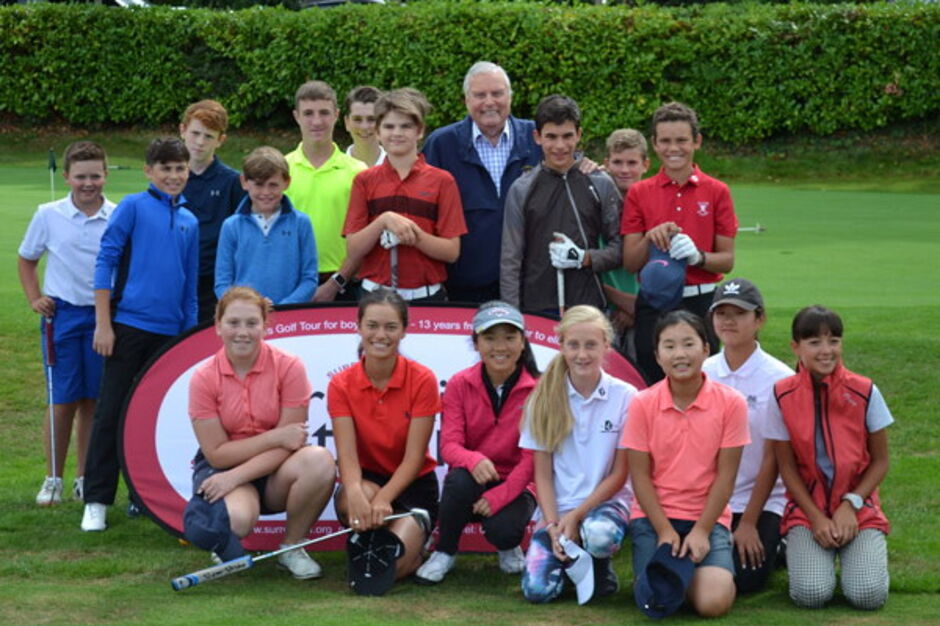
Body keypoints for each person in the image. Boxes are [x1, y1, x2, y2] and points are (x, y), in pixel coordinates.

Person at [81, 137, 199, 532]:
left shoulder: (189, 220)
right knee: (111, 412)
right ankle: (97, 500)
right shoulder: (132, 207)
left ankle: (142, 497)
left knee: (153, 418)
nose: (173, 175)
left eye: (180, 168)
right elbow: (106, 262)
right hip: (128, 327)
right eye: (165, 168)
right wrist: (103, 324)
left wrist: (188, 339)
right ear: (149, 171)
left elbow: (189, 286)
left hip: (170, 336)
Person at [188, 286, 335, 578]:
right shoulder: (203, 378)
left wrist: (236, 476)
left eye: (252, 323)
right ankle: (224, 542)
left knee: (318, 460)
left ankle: (292, 547)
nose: (243, 332)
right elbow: (217, 454)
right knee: (238, 521)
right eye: (233, 323)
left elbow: (292, 443)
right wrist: (274, 437)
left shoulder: (289, 366)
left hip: (277, 468)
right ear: (218, 326)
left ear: (265, 326)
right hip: (224, 467)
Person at [622, 310, 749, 618]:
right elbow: (640, 476)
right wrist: (664, 531)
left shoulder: (732, 402)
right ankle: (677, 576)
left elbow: (726, 476)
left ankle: (686, 576)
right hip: (654, 517)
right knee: (656, 600)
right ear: (658, 356)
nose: (680, 354)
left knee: (712, 603)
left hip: (707, 517)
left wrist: (702, 531)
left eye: (688, 344)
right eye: (669, 346)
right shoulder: (642, 403)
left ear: (706, 349)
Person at [765, 306, 892, 610]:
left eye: (833, 341)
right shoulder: (781, 394)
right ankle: (798, 547)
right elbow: (786, 466)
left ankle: (858, 556)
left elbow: (880, 461)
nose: (826, 350)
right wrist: (816, 517)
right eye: (814, 342)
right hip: (807, 511)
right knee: (811, 594)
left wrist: (851, 505)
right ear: (796, 347)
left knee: (867, 595)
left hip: (858, 508)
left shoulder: (865, 391)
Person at [18, 141, 114, 506]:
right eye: (80, 176)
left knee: (93, 401)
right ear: (67, 177)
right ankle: (53, 478)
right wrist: (34, 298)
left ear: (105, 175)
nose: (88, 183)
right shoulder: (48, 214)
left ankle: (84, 479)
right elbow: (27, 259)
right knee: (62, 400)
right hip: (62, 317)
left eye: (95, 176)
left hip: (102, 317)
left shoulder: (117, 215)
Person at [416, 301, 540, 584]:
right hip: (473, 477)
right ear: (476, 343)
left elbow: (533, 460)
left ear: (523, 343)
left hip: (518, 483)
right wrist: (474, 459)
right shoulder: (459, 384)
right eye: (490, 338)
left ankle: (508, 546)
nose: (500, 347)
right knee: (459, 481)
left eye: (510, 338)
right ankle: (445, 551)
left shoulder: (539, 389)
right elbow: (449, 446)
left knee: (504, 530)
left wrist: (499, 496)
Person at [519, 305, 636, 604]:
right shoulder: (542, 398)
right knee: (537, 592)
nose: (582, 354)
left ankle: (597, 564)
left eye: (591, 345)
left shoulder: (626, 397)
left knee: (599, 535)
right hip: (557, 511)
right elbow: (543, 475)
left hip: (606, 505)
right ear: (561, 346)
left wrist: (576, 517)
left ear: (607, 346)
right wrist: (552, 524)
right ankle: (573, 565)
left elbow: (620, 474)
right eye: (573, 345)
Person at [327, 288, 440, 584]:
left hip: (413, 484)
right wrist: (354, 492)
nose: (381, 335)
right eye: (372, 326)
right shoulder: (341, 384)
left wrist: (385, 499)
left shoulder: (422, 379)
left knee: (390, 571)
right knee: (356, 498)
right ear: (359, 327)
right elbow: (347, 454)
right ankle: (371, 536)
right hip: (366, 480)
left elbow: (414, 458)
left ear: (404, 331)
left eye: (391, 327)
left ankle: (411, 548)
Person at [621, 102, 738, 383]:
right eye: (665, 141)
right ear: (654, 144)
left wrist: (698, 257)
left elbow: (727, 260)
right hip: (654, 302)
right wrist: (650, 237)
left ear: (696, 141)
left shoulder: (717, 191)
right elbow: (630, 263)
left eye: (682, 140)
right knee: (652, 381)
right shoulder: (639, 192)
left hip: (701, 300)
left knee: (703, 382)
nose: (673, 148)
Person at [422, 61, 542, 304]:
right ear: (466, 100)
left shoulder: (538, 138)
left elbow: (568, 167)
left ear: (510, 96)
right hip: (464, 288)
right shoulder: (441, 145)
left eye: (497, 93)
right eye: (480, 95)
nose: (489, 102)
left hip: (530, 283)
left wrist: (586, 166)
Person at [701, 278, 793, 593]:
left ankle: (780, 541)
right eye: (721, 313)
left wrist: (750, 522)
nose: (729, 321)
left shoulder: (780, 379)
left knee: (746, 580)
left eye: (739, 313)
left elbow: (774, 458)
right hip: (710, 496)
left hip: (761, 498)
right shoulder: (703, 372)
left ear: (759, 319)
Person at [344, 88, 467, 303]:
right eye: (389, 126)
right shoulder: (364, 180)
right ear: (378, 132)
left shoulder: (442, 181)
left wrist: (411, 235)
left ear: (419, 131)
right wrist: (383, 221)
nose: (397, 133)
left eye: (406, 126)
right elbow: (353, 249)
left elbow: (451, 251)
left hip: (426, 297)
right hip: (375, 296)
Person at [500, 95, 621, 314]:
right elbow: (511, 260)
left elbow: (621, 248)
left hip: (589, 306)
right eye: (551, 137)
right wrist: (512, 317)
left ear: (579, 135)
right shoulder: (521, 189)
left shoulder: (600, 182)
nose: (560, 146)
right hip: (537, 308)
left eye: (567, 136)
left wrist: (585, 258)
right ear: (537, 137)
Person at [285, 80, 367, 302]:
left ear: (336, 115)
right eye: (308, 113)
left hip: (345, 284)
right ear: (296, 116)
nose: (317, 121)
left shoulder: (358, 172)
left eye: (324, 113)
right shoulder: (281, 169)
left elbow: (364, 239)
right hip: (292, 282)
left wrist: (336, 282)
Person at [214, 146, 318, 305]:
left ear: (287, 182)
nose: (266, 192)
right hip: (244, 315)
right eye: (259, 184)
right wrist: (247, 307)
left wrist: (283, 307)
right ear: (244, 182)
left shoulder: (301, 224)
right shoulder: (231, 226)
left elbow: (309, 279)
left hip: (289, 315)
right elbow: (222, 282)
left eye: (273, 185)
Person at [179, 99, 245, 323]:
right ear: (183, 130)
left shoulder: (232, 182)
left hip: (213, 284)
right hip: (174, 278)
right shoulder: (169, 178)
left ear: (220, 140)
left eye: (208, 136)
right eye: (195, 133)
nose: (200, 142)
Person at [601, 129, 649, 356]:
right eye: (617, 162)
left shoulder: (654, 204)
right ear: (606, 164)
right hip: (603, 310)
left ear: (645, 165)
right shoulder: (594, 201)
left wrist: (635, 307)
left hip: (644, 310)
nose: (624, 170)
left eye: (632, 163)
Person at [344, 85, 386, 167]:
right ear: (347, 123)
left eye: (371, 119)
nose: (364, 127)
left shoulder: (400, 168)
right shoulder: (333, 169)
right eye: (357, 119)